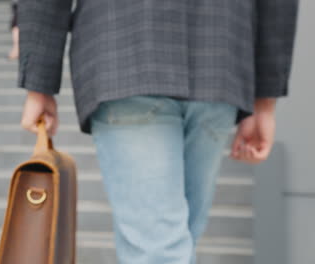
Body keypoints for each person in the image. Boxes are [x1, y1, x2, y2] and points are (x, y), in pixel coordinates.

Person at [18, 1, 299, 263]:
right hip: (218, 53)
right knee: (169, 246)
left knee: (163, 248)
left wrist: (38, 81)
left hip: (127, 47)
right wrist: (265, 99)